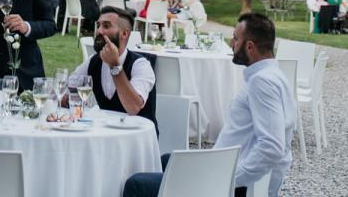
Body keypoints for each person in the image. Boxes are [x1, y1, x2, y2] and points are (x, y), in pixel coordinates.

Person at [123, 13, 296, 197]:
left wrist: (228, 180)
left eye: (235, 39)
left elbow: (272, 147)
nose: (231, 44)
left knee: (137, 184)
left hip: (225, 181)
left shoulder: (262, 82)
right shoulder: (273, 75)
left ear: (250, 46)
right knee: (168, 160)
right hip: (219, 166)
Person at [68, 6, 156, 125]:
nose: (99, 31)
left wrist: (115, 67)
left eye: (106, 26)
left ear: (124, 34)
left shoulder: (141, 65)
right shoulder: (93, 62)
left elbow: (133, 108)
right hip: (104, 134)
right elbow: (67, 91)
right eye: (98, 25)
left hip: (138, 136)